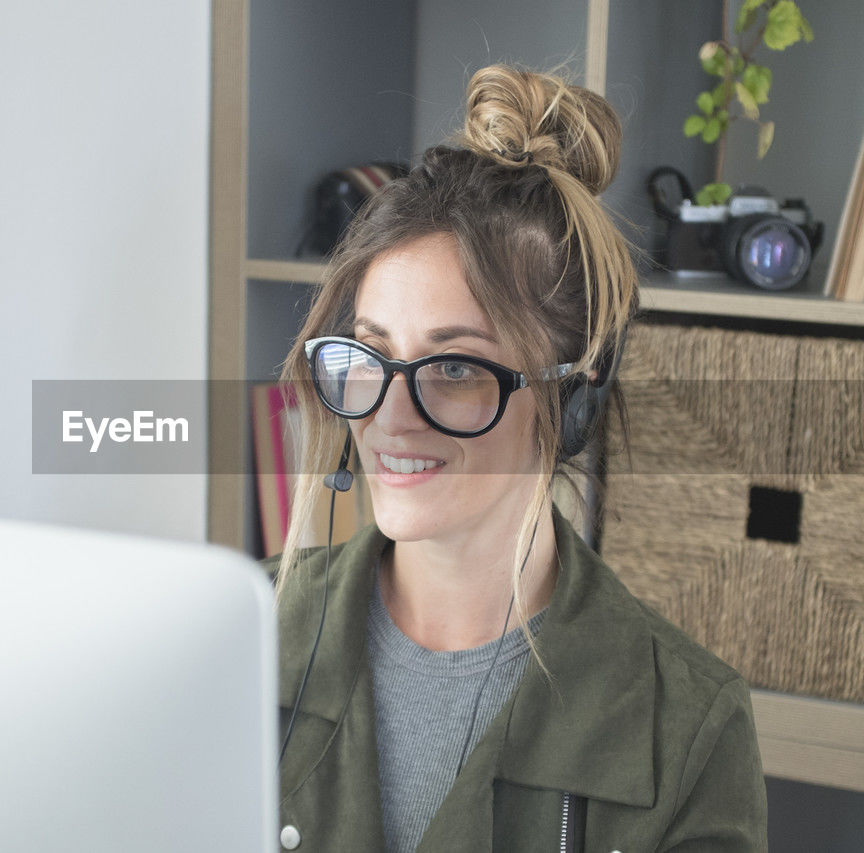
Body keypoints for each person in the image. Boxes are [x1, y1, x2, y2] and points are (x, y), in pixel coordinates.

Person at [263, 65, 767, 852]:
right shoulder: (242, 639)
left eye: (456, 368)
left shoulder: (691, 727)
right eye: (368, 356)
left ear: (575, 393)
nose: (391, 416)